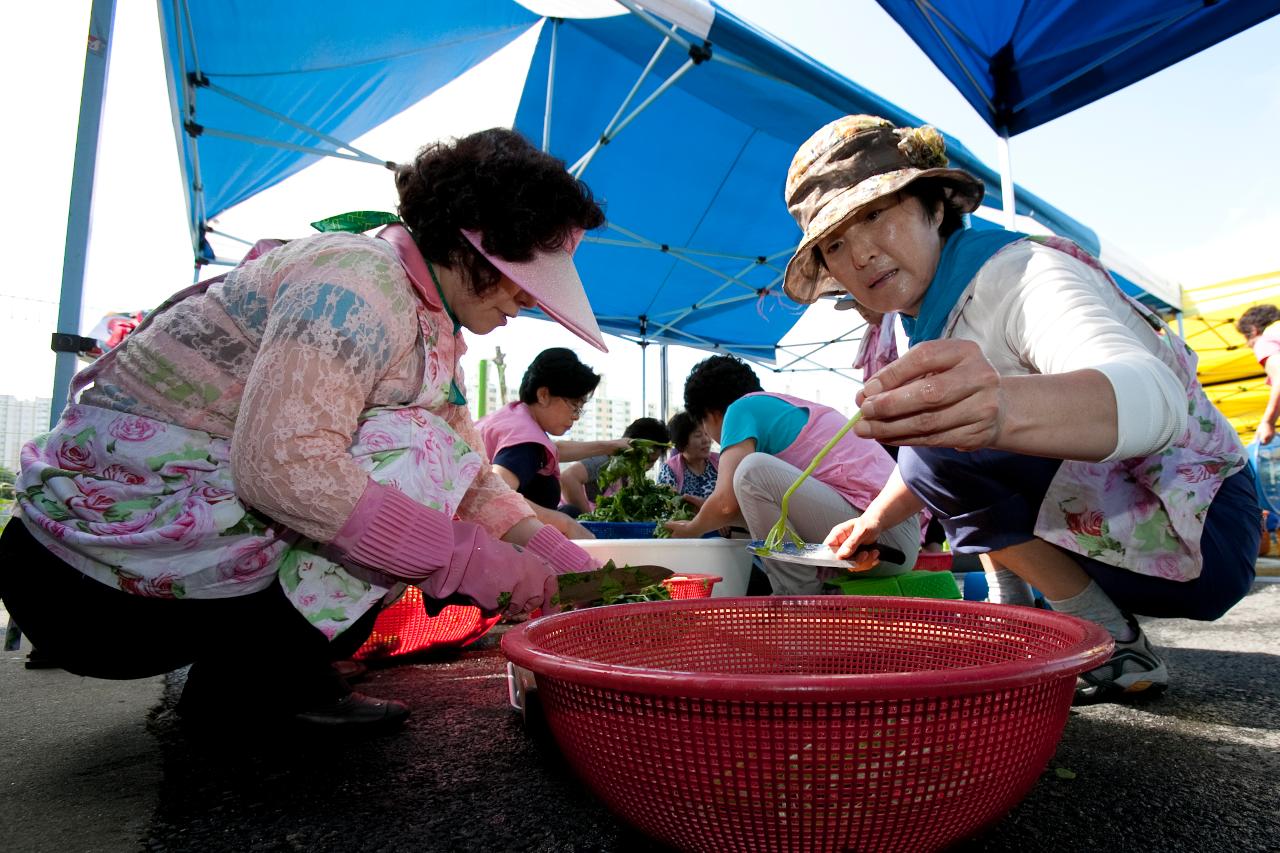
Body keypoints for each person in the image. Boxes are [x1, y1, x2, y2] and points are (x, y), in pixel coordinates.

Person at [0, 127, 609, 731]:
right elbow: (282, 466)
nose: (528, 304)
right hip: (84, 584)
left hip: (134, 569)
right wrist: (466, 561)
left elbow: (470, 478)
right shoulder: (356, 281)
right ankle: (264, 677)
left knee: (431, 453)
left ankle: (261, 668)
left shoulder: (430, 325)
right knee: (414, 451)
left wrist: (569, 567)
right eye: (525, 282)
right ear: (477, 246)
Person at [781, 114, 1257, 702]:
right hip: (1104, 525)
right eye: (834, 243)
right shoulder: (912, 322)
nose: (861, 254)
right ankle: (1021, 614)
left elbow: (1154, 398)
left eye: (875, 214)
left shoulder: (1023, 273)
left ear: (934, 204)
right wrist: (872, 521)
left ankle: (1111, 643)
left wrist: (999, 407)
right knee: (944, 441)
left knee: (944, 443)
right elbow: (941, 470)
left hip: (1199, 526)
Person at [664, 354, 921, 594]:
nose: (714, 441)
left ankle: (797, 600)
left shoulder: (740, 409)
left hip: (881, 535)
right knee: (750, 484)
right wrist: (718, 518)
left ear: (712, 414)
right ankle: (806, 595)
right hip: (891, 541)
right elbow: (738, 511)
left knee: (752, 472)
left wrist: (692, 528)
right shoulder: (778, 410)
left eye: (706, 429)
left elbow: (724, 503)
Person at [478, 348, 629, 532]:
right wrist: (564, 523)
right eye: (574, 405)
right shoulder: (524, 440)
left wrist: (611, 446)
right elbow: (496, 495)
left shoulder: (518, 419)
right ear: (543, 395)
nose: (576, 417)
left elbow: (555, 450)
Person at [560, 416, 670, 515]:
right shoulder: (606, 461)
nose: (646, 467)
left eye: (652, 462)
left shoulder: (632, 478)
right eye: (645, 460)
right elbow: (567, 478)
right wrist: (588, 519)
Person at [1235, 304, 1280, 445]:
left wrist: (1268, 422)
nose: (1248, 345)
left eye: (1246, 338)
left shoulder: (1265, 339)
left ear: (1253, 331)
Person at [656, 410, 719, 505]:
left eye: (707, 433)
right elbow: (666, 506)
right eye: (698, 435)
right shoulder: (670, 469)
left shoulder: (720, 461)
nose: (706, 440)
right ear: (683, 442)